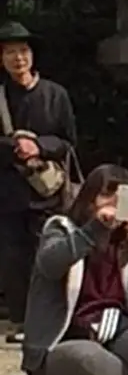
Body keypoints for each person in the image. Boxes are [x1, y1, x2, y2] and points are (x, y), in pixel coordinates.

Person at [19, 164, 128, 375]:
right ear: (89, 198)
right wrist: (95, 229)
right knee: (88, 360)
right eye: (106, 194)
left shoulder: (126, 239)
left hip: (117, 331)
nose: (112, 203)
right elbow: (49, 265)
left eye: (120, 197)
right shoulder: (61, 228)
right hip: (67, 338)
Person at [1, 20, 78, 343]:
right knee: (13, 257)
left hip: (47, 189)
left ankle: (46, 319)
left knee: (45, 253)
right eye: (10, 53)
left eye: (23, 51)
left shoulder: (55, 94)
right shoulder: (1, 96)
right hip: (8, 189)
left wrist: (40, 146)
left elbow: (69, 141)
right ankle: (20, 320)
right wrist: (15, 146)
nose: (18, 59)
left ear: (32, 55)